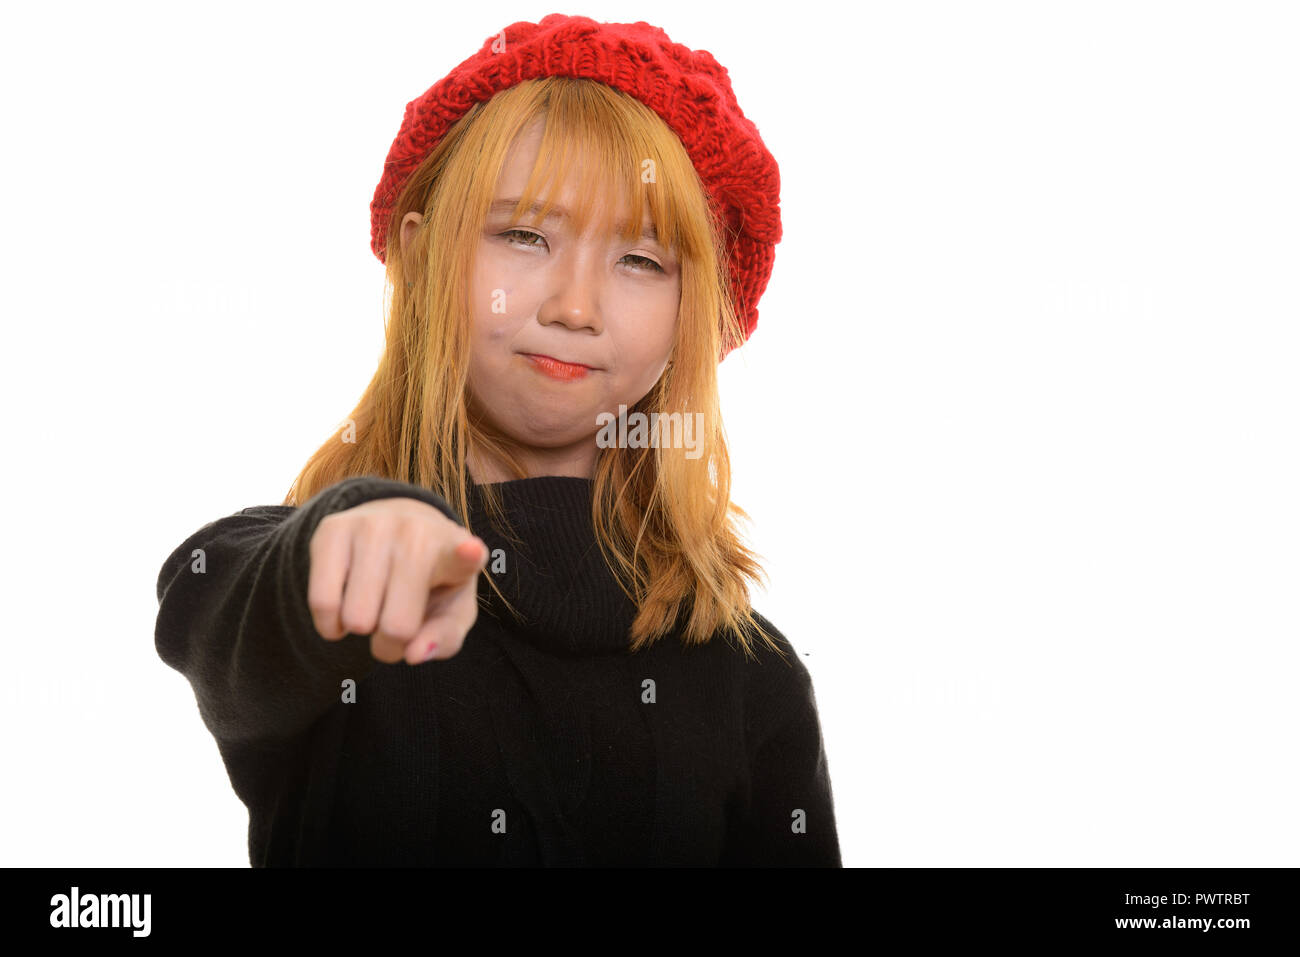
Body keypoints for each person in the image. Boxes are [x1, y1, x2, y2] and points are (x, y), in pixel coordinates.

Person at [155, 13, 841, 867]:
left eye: (641, 260)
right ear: (422, 255)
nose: (575, 306)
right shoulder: (327, 597)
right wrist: (349, 541)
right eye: (524, 235)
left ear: (691, 318)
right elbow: (215, 608)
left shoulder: (755, 681)